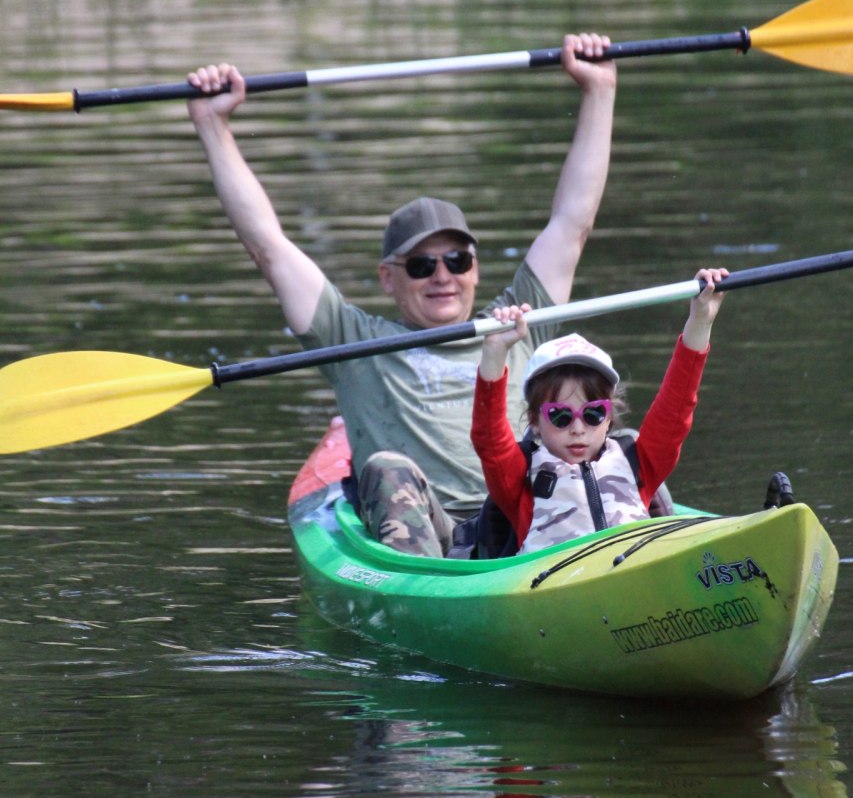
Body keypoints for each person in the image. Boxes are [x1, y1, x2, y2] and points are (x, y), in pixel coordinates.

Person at [186, 33, 617, 556]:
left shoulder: (521, 319)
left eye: (457, 261)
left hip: (529, 515)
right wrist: (213, 125)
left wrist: (600, 89)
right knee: (386, 468)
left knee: (624, 448)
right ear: (388, 278)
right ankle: (439, 598)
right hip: (429, 538)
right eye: (421, 265)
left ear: (475, 270)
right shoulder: (354, 342)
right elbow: (269, 250)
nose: (442, 276)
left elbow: (573, 223)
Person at [471, 268, 728, 552]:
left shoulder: (638, 463)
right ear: (534, 421)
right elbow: (489, 439)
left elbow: (677, 405)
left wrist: (701, 319)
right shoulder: (519, 480)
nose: (578, 428)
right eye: (560, 416)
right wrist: (495, 351)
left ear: (608, 419)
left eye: (593, 414)